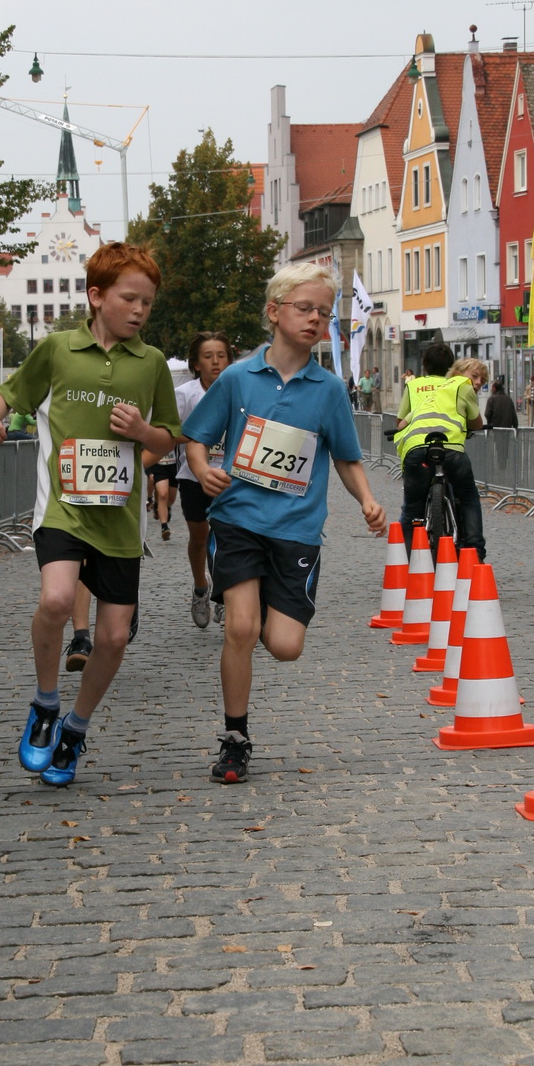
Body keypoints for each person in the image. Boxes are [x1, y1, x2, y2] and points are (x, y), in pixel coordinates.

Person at [0, 242, 181, 787]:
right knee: (58, 599)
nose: (139, 310)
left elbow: (168, 439)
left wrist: (142, 435)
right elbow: (10, 393)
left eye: (148, 303)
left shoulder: (153, 362)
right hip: (63, 509)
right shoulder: (59, 349)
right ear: (96, 296)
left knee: (113, 639)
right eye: (129, 298)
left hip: (118, 520)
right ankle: (45, 703)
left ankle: (75, 726)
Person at [184, 261, 387, 785]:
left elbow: (345, 456)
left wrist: (366, 499)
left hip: (296, 529)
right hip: (238, 519)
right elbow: (196, 436)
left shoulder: (328, 389)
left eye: (325, 312)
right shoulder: (236, 378)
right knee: (241, 628)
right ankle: (235, 739)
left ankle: (273, 598)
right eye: (305, 308)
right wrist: (204, 469)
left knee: (285, 645)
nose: (316, 319)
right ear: (274, 312)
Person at [394, 341, 486, 559]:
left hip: (416, 447)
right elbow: (477, 423)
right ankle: (475, 553)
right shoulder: (461, 386)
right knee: (469, 497)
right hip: (451, 447)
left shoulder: (419, 389)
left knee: (412, 508)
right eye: (475, 377)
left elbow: (401, 423)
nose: (478, 382)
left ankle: (404, 559)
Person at [175, 331, 233, 628]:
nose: (216, 362)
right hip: (193, 476)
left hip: (231, 476)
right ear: (196, 363)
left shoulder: (238, 389)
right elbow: (173, 432)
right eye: (208, 357)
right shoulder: (186, 394)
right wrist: (201, 434)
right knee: (200, 536)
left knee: (226, 537)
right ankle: (201, 587)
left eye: (221, 356)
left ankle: (224, 597)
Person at [143, 439, 179, 542]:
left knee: (171, 499)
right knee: (163, 494)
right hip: (157, 464)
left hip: (173, 465)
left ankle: (163, 507)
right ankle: (164, 527)